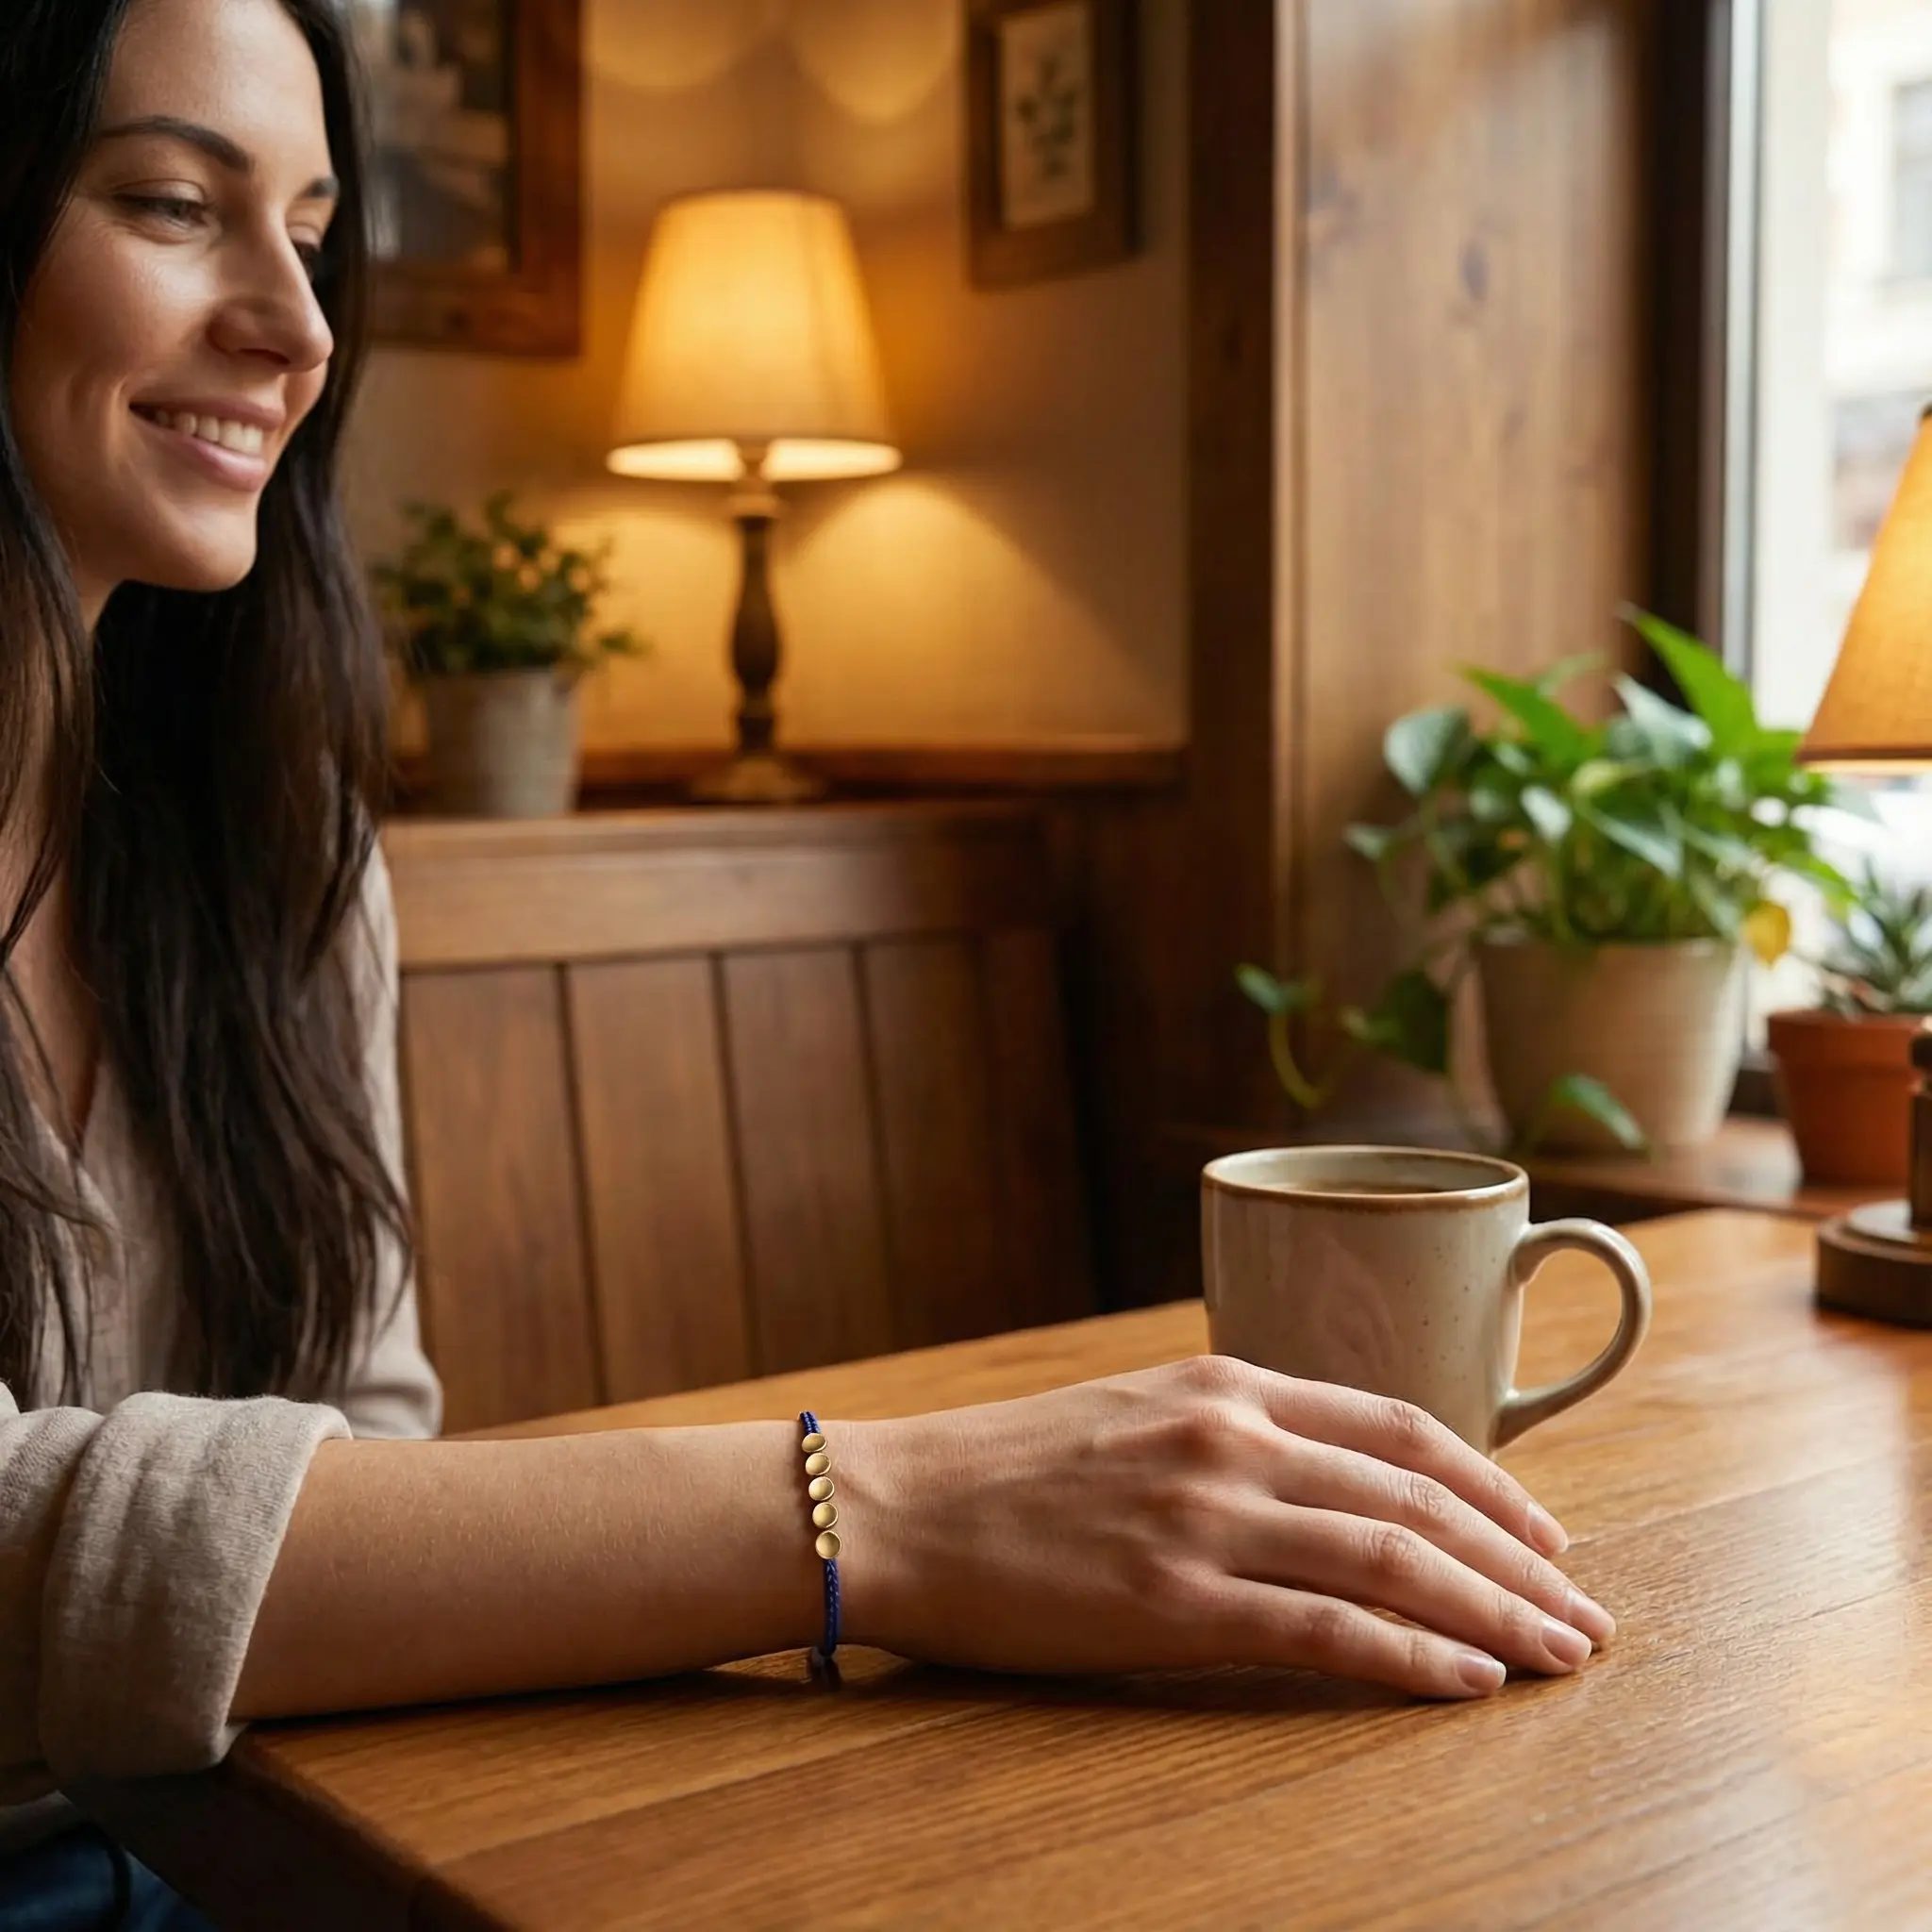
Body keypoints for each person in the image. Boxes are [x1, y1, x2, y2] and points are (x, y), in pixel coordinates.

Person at [0, 0, 1614, 1922]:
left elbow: (362, 1427)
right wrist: (891, 1508)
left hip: (211, 1844)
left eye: (318, 230)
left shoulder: (278, 844)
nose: (298, 324)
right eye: (177, 203)